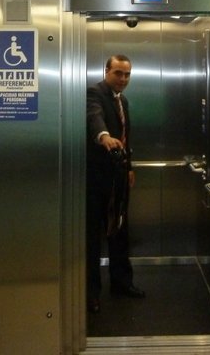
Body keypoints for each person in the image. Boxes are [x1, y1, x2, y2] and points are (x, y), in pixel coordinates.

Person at [86, 54, 146, 314]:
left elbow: (126, 137)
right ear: (106, 70)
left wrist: (128, 168)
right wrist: (104, 137)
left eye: (127, 74)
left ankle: (122, 282)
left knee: (120, 232)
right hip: (96, 180)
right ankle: (90, 293)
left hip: (119, 178)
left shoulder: (123, 101)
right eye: (118, 73)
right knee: (92, 237)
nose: (123, 79)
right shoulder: (95, 93)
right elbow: (94, 118)